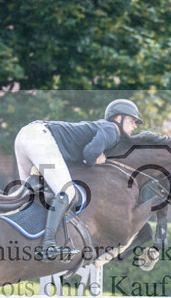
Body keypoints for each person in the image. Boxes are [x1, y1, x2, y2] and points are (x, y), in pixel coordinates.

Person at [13, 99, 142, 260]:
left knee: (27, 196)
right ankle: (47, 246)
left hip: (25, 136)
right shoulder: (111, 129)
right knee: (67, 192)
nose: (134, 126)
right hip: (40, 138)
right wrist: (98, 160)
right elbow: (90, 153)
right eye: (131, 121)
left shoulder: (102, 127)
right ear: (118, 119)